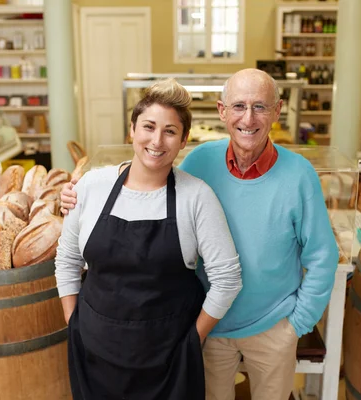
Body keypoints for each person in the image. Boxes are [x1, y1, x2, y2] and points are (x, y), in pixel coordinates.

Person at [61, 69, 338, 400]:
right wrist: (77, 196)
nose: (248, 118)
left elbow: (323, 255)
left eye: (260, 107)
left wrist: (297, 324)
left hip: (267, 327)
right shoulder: (201, 161)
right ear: (222, 111)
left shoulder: (297, 174)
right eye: (238, 106)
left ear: (277, 111)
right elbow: (150, 173)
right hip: (209, 331)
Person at [55, 78, 242, 400]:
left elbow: (227, 279)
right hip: (94, 350)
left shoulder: (196, 196)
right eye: (148, 126)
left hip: (168, 359)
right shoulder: (90, 186)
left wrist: (191, 341)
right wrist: (74, 323)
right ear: (132, 130)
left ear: (183, 141)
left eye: (170, 131)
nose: (157, 140)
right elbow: (67, 260)